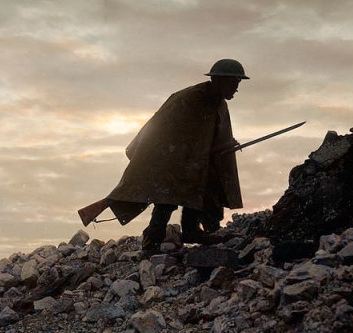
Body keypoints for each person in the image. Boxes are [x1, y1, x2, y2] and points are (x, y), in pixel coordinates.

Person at [103, 59, 249, 255]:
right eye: (233, 83)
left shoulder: (219, 104)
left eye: (237, 83)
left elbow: (207, 137)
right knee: (167, 197)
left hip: (195, 163)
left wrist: (223, 146)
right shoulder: (188, 99)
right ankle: (152, 240)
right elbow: (166, 131)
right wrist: (184, 156)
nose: (236, 88)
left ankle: (191, 231)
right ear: (218, 80)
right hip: (170, 159)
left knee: (203, 187)